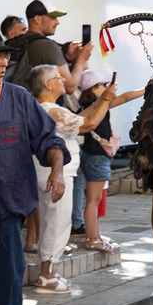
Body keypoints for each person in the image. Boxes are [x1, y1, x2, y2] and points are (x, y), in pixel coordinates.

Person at [0, 26, 70, 305]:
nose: (4, 62)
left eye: (5, 56)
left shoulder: (18, 98)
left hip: (8, 198)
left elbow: (49, 139)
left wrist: (57, 169)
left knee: (11, 268)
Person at [27, 64, 117, 291]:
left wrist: (102, 100)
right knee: (57, 222)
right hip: (56, 175)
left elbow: (79, 117)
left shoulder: (47, 107)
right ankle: (46, 275)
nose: (63, 80)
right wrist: (106, 100)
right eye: (58, 77)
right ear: (47, 85)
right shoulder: (51, 109)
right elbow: (88, 124)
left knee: (52, 221)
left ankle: (48, 271)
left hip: (51, 173)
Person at [78, 70, 145, 252]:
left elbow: (124, 97)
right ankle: (92, 239)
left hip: (92, 156)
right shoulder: (96, 107)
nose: (106, 87)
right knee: (93, 200)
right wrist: (148, 89)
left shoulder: (91, 107)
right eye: (102, 85)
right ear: (93, 89)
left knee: (94, 200)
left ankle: (96, 236)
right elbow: (124, 97)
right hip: (97, 158)